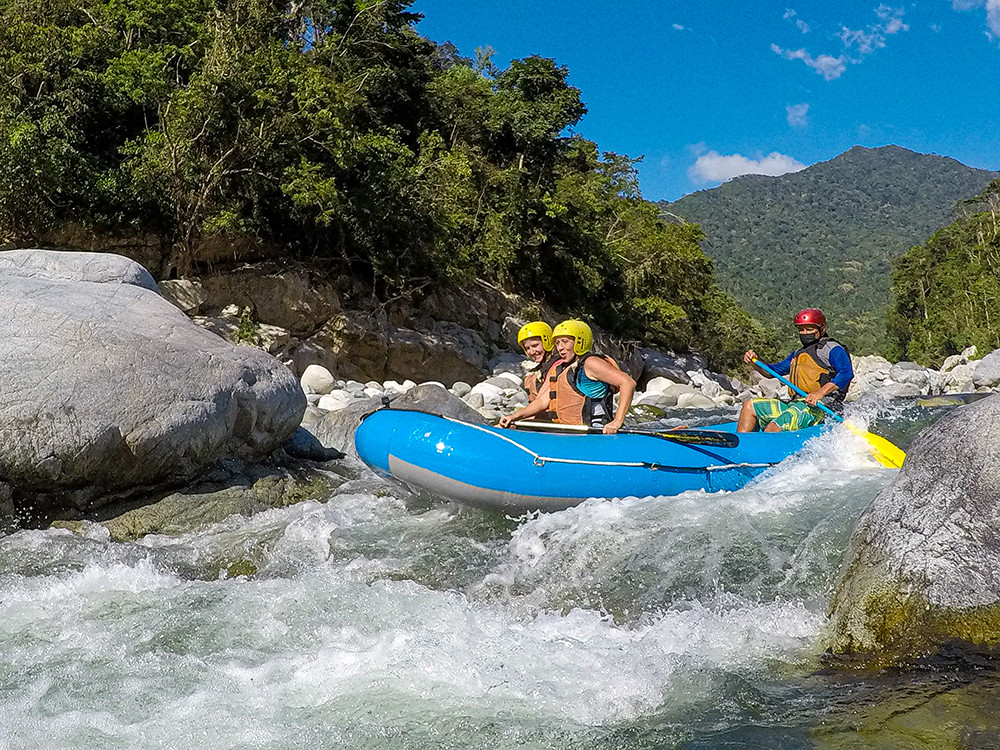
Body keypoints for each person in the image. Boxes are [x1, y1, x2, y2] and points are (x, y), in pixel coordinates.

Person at [499, 319, 636, 434]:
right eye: (557, 343)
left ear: (580, 342)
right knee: (515, 426)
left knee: (519, 428)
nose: (560, 348)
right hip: (568, 429)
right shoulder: (562, 368)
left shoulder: (591, 363)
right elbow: (542, 402)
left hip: (591, 431)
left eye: (565, 342)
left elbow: (628, 383)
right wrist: (514, 416)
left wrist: (617, 421)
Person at [738, 307, 854, 433]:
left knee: (773, 427)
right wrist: (755, 362)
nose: (804, 333)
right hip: (796, 402)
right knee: (749, 406)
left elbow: (846, 373)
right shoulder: (798, 353)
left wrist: (819, 393)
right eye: (801, 329)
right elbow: (773, 372)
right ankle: (741, 447)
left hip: (820, 407)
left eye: (809, 329)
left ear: (822, 329)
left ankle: (768, 445)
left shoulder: (832, 349)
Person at [516, 321, 556, 402]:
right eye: (527, 348)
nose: (531, 352)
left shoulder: (558, 366)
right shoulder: (537, 371)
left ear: (546, 341)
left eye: (535, 346)